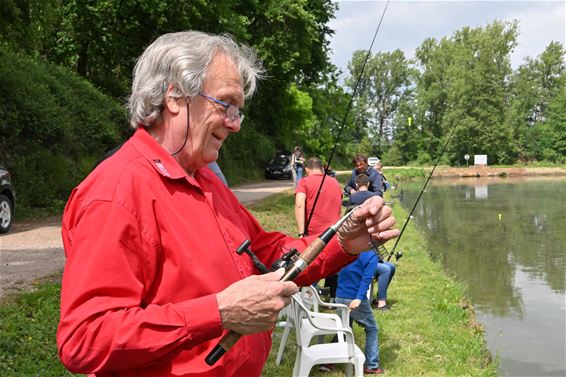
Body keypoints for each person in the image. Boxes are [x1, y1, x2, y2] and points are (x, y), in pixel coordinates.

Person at [56, 31, 400, 377]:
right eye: (226, 106)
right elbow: (84, 338)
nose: (234, 125)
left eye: (238, 112)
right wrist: (219, 312)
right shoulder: (115, 193)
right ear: (174, 96)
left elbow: (267, 255)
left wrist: (342, 242)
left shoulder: (204, 179)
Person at [294, 157, 342, 299]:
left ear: (306, 169)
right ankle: (334, 296)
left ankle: (306, 299)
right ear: (321, 168)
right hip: (334, 232)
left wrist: (301, 232)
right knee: (333, 264)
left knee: (311, 268)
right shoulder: (334, 182)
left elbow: (299, 205)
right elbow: (339, 204)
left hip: (314, 234)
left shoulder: (304, 182)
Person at [349, 174, 396, 311]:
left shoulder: (354, 198)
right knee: (386, 269)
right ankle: (382, 303)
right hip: (358, 263)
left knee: (391, 267)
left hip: (367, 260)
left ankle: (379, 297)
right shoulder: (354, 232)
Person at [335, 250, 384, 374]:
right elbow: (366, 279)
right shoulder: (371, 256)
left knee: (344, 327)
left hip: (339, 296)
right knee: (372, 328)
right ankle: (372, 365)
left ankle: (327, 361)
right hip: (355, 298)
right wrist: (359, 298)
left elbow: (338, 272)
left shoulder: (347, 250)